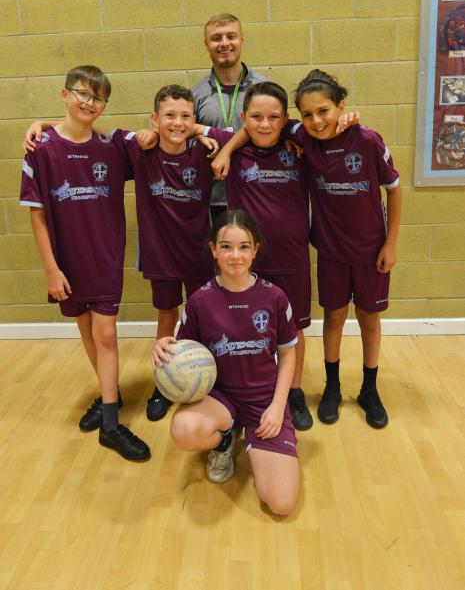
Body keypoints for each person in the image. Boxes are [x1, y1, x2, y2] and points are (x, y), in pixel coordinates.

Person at [23, 85, 220, 425]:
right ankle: (164, 382)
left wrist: (200, 131)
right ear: (155, 119)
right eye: (169, 116)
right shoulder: (138, 149)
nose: (177, 123)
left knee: (207, 317)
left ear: (194, 120)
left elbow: (243, 133)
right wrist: (43, 123)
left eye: (185, 116)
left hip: (200, 253)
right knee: (166, 317)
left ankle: (210, 381)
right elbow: (86, 127)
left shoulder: (205, 151)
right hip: (162, 255)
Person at [19, 65, 150, 461]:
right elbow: (37, 213)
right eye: (82, 93)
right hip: (66, 262)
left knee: (106, 334)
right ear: (64, 94)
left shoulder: (110, 148)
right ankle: (111, 393)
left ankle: (110, 423)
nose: (89, 102)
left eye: (98, 98)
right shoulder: (41, 149)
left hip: (105, 256)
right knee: (86, 330)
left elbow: (153, 142)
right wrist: (50, 269)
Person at [152, 209, 300, 517]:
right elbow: (181, 351)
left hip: (263, 399)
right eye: (226, 246)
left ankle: (257, 436)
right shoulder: (200, 301)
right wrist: (162, 348)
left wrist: (277, 406)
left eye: (244, 246)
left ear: (256, 249)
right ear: (213, 250)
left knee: (282, 504)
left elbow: (288, 354)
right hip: (220, 397)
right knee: (183, 429)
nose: (235, 255)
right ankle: (224, 443)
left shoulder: (275, 298)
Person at [193, 81, 313, 431]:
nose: (264, 124)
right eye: (256, 117)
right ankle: (242, 391)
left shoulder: (298, 143)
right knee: (246, 327)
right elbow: (188, 125)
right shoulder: (233, 144)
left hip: (292, 257)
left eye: (273, 117)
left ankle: (294, 392)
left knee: (296, 329)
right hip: (246, 262)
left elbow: (328, 127)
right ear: (243, 118)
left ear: (285, 119)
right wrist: (226, 148)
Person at [292, 69, 402, 428]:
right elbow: (270, 126)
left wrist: (391, 242)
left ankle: (369, 390)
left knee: (370, 320)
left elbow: (395, 189)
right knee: (334, 319)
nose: (316, 120)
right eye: (307, 114)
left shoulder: (367, 140)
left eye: (323, 110)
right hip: (331, 252)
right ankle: (333, 387)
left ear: (341, 106)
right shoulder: (305, 140)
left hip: (371, 253)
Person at [193, 13, 266, 219]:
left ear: (241, 39)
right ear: (206, 44)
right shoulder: (195, 95)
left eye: (231, 36)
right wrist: (197, 135)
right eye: (216, 38)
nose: (224, 43)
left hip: (257, 193)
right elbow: (185, 136)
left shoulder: (265, 89)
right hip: (214, 199)